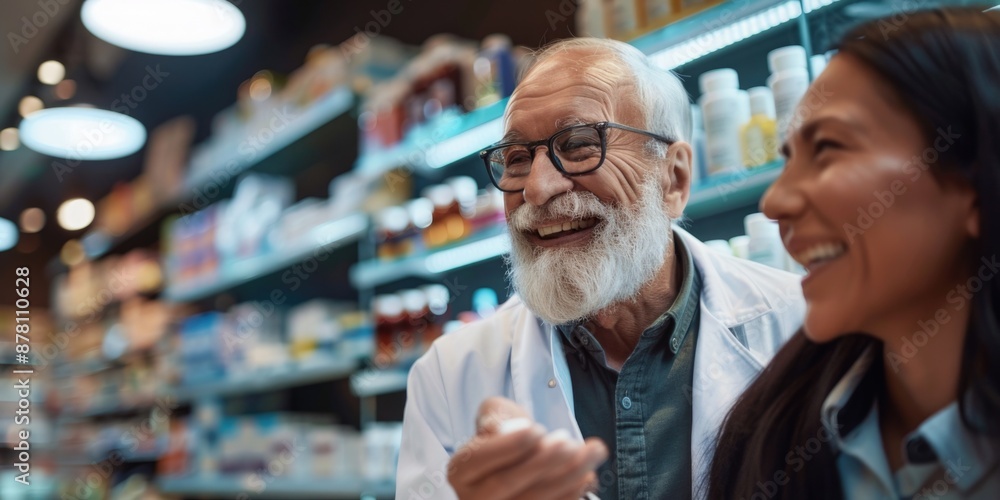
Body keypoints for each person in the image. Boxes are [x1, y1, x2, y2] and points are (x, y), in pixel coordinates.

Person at [396, 37, 805, 500]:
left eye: (579, 145)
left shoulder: (798, 325)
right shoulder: (449, 378)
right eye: (516, 159)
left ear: (674, 179)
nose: (537, 188)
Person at [707, 7, 1000, 500]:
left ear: (975, 186)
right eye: (788, 159)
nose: (775, 202)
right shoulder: (771, 440)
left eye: (828, 148)